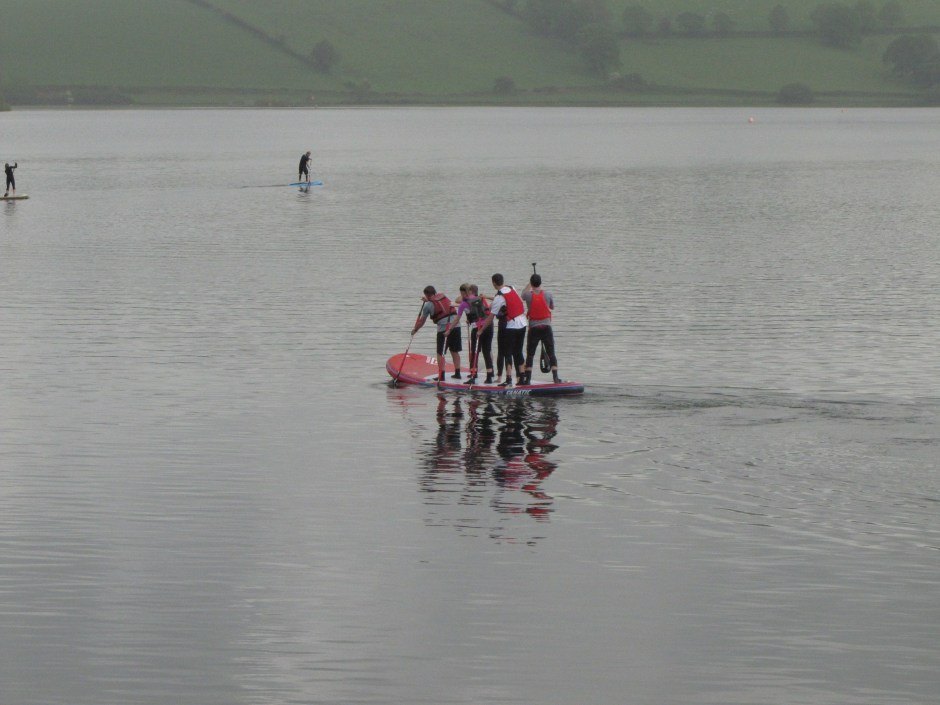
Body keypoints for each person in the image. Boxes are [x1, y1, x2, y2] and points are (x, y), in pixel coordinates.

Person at [480, 273, 526, 386]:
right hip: (523, 323)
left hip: (511, 325)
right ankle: (522, 378)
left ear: (494, 283)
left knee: (507, 353)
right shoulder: (512, 288)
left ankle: (509, 379)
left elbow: (490, 318)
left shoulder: (499, 298)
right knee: (518, 351)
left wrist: (480, 330)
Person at [412, 285, 462, 381]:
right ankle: (457, 373)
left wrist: (415, 329)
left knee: (440, 353)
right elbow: (435, 302)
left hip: (444, 330)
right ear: (435, 293)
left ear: (427, 295)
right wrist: (427, 300)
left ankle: (441, 375)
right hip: (456, 326)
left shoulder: (427, 306)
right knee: (454, 351)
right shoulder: (443, 297)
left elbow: (422, 321)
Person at [521, 273, 561, 384]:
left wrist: (529, 284)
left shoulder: (528, 295)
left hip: (534, 328)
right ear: (541, 282)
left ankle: (528, 380)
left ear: (532, 283)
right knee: (551, 353)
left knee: (530, 354)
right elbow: (552, 307)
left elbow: (522, 295)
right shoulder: (548, 294)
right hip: (546, 327)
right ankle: (556, 378)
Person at [455, 283, 494, 384]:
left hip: (478, 327)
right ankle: (490, 375)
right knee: (486, 350)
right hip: (489, 325)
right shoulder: (481, 299)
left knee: (474, 351)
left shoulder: (466, 301)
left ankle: (473, 375)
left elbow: (458, 300)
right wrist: (470, 319)